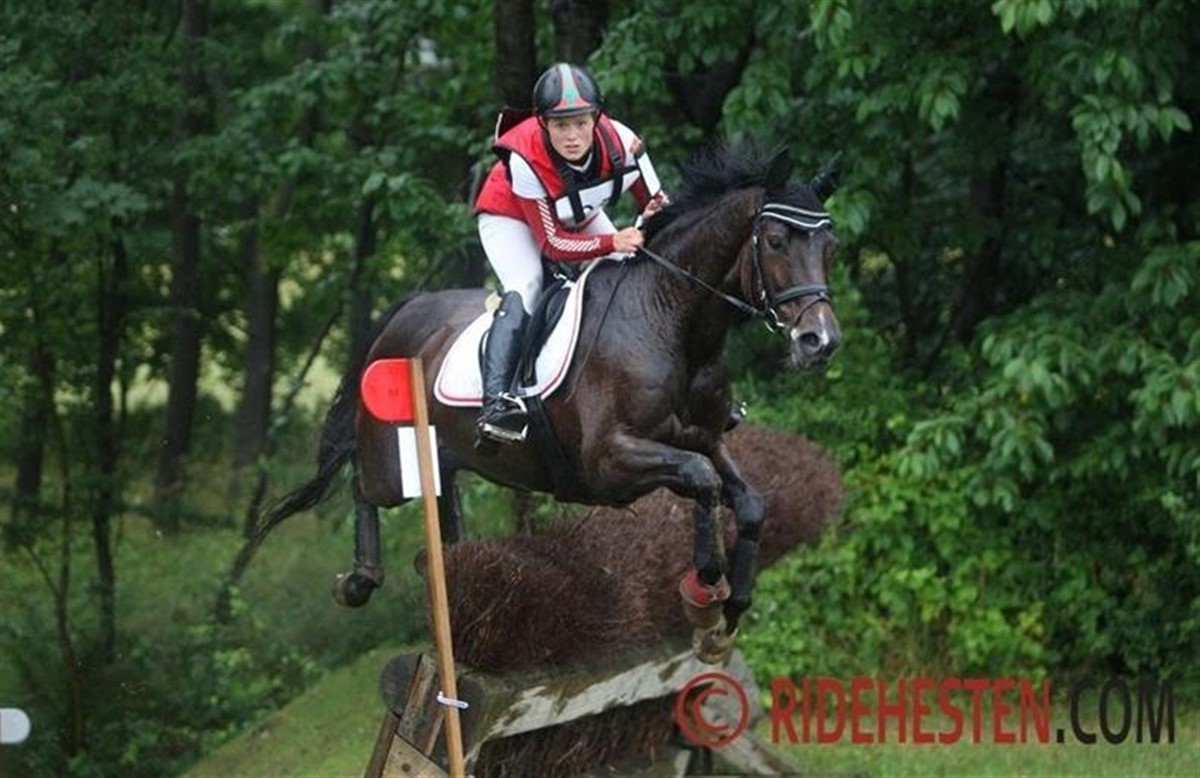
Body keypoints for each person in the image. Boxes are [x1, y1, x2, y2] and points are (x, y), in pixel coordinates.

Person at [472, 62, 669, 445]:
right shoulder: (524, 157)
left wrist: (653, 220)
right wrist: (612, 242)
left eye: (581, 123)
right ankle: (495, 404)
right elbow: (553, 245)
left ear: (596, 117)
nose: (573, 136)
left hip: (577, 212)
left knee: (633, 271)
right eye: (561, 125)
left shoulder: (626, 143)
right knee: (527, 283)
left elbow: (659, 206)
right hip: (510, 217)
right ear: (543, 123)